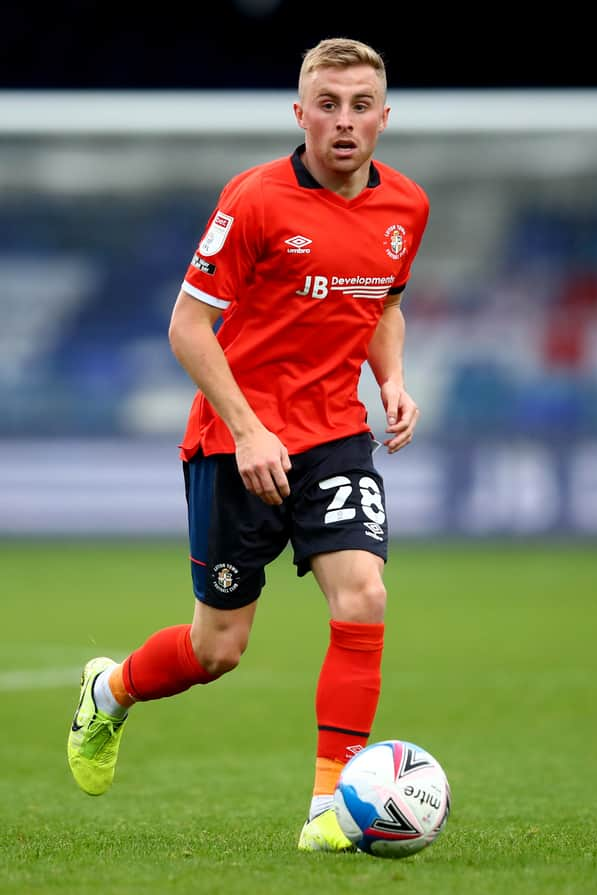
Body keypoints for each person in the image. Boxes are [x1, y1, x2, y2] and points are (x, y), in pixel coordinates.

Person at [67, 36, 430, 852]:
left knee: (363, 595)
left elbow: (380, 303)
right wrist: (249, 428)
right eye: (327, 106)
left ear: (383, 116)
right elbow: (187, 328)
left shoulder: (408, 206)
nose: (344, 122)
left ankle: (328, 811)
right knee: (216, 648)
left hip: (336, 432)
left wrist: (393, 378)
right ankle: (109, 691)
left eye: (360, 105)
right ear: (300, 114)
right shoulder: (257, 199)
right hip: (236, 445)